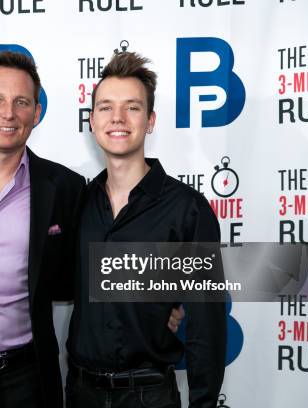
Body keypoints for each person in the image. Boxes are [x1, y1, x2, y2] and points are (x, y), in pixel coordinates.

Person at [0, 51, 184, 408]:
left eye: (21, 102)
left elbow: (91, 262)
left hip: (28, 378)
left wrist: (163, 297)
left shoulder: (65, 188)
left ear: (37, 113)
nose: (8, 113)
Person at [65, 51, 226, 408]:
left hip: (149, 396)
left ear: (150, 121)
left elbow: (206, 328)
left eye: (132, 107)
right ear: (92, 121)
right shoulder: (77, 202)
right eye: (106, 107)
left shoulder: (188, 209)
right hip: (80, 393)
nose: (118, 118)